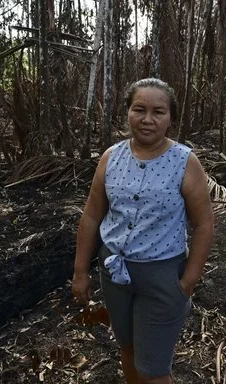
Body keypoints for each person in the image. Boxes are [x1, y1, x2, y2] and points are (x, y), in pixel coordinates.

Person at [72, 78, 214, 384]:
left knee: (153, 370)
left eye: (158, 112)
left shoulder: (185, 162)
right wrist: (80, 271)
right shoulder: (111, 157)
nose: (147, 119)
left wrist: (188, 282)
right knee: (128, 349)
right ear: (127, 113)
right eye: (139, 109)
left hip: (162, 278)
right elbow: (92, 215)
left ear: (170, 118)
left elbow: (204, 224)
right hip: (114, 272)